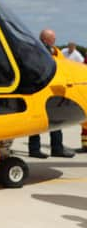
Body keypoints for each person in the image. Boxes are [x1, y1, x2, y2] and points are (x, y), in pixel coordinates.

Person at [28, 28, 75, 158]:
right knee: (42, 121)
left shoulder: (53, 51)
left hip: (51, 90)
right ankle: (38, 149)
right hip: (42, 90)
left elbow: (61, 64)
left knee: (53, 121)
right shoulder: (38, 51)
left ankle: (51, 148)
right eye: (52, 38)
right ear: (45, 39)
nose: (55, 40)